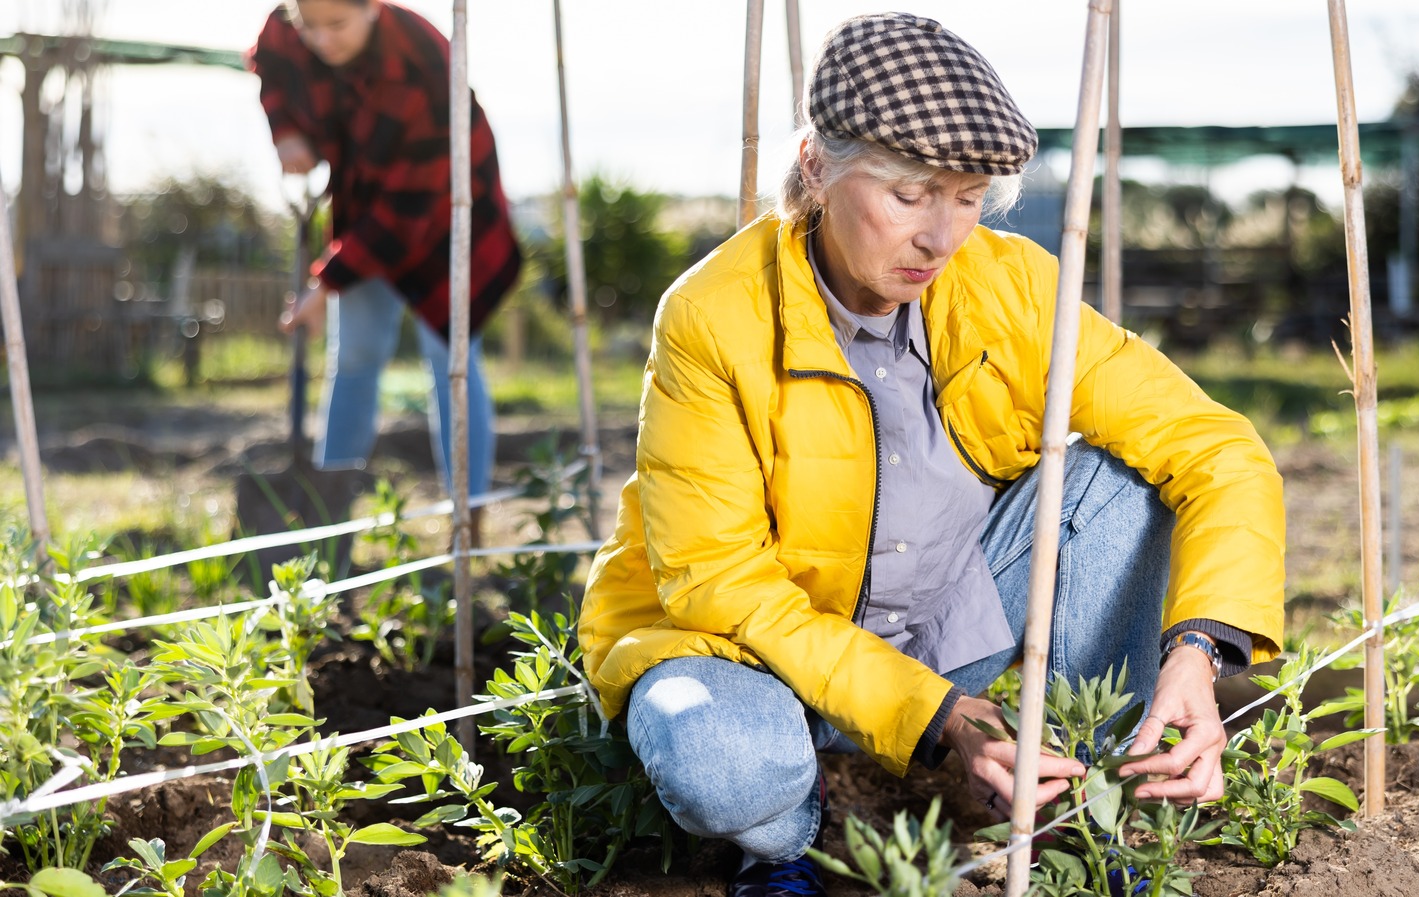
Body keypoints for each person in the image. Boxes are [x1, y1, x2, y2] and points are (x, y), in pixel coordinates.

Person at [578, 13, 1285, 897]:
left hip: (942, 627)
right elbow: (718, 579)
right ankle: (789, 840)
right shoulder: (713, 316)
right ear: (816, 168)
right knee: (721, 761)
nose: (942, 236)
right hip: (754, 658)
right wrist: (939, 715)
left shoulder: (1013, 285)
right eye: (910, 193)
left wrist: (1198, 650)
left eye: (968, 195)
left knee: (1128, 484)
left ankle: (1080, 813)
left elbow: (1217, 448)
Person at [246, 0, 522, 501]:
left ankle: (468, 512)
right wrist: (285, 131)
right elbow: (271, 64)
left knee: (451, 361)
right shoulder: (287, 29)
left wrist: (325, 283)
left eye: (338, 26)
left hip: (448, 212)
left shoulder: (425, 64)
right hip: (364, 201)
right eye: (313, 29)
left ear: (371, 7)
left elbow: (405, 210)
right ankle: (329, 511)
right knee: (353, 356)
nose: (324, 41)